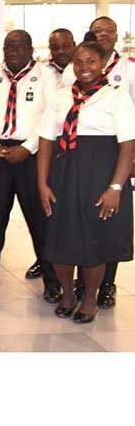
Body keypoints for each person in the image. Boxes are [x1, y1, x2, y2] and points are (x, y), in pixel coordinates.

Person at [37, 33, 135, 323]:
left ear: (103, 63)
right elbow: (45, 140)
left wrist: (116, 187)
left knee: (94, 242)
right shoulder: (61, 95)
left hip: (101, 177)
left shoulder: (117, 97)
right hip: (64, 175)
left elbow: (128, 145)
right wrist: (42, 183)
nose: (83, 67)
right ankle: (68, 293)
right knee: (60, 240)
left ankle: (90, 298)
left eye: (90, 60)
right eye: (78, 62)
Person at [0, 30, 61, 302]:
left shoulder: (47, 77)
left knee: (40, 221)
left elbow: (51, 117)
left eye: (20, 47)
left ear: (31, 48)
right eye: (10, 46)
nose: (15, 52)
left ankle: (52, 281)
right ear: (3, 48)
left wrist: (27, 148)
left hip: (31, 156)